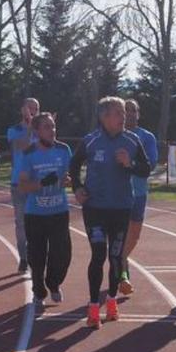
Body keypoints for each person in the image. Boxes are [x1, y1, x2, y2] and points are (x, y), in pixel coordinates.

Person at [70, 96, 153, 328]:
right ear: (104, 117)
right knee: (98, 255)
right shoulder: (90, 140)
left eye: (124, 113)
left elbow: (146, 170)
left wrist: (130, 165)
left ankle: (112, 300)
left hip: (121, 208)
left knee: (116, 257)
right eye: (118, 113)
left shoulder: (132, 140)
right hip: (95, 208)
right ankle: (94, 307)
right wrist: (77, 187)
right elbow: (74, 164)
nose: (123, 117)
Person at [16, 112, 72, 307]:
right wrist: (40, 183)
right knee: (37, 256)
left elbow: (68, 177)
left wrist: (67, 181)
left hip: (59, 211)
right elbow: (22, 186)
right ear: (38, 131)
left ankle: (53, 282)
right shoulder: (29, 153)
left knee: (62, 254)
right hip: (35, 214)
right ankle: (39, 288)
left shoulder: (64, 150)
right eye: (47, 127)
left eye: (53, 126)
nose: (52, 131)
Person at [117, 98, 160, 296]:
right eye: (127, 110)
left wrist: (129, 163)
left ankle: (120, 259)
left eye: (134, 110)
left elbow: (149, 165)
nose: (131, 114)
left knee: (134, 236)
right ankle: (123, 273)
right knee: (120, 235)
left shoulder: (147, 137)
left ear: (138, 114)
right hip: (117, 193)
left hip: (139, 193)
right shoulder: (114, 136)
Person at [6, 98, 39, 274]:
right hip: (18, 183)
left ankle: (36, 256)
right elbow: (22, 146)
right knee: (21, 223)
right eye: (30, 108)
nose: (33, 112)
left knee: (37, 221)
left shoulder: (41, 130)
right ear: (22, 110)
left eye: (36, 109)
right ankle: (24, 258)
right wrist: (29, 128)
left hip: (37, 183)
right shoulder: (14, 130)